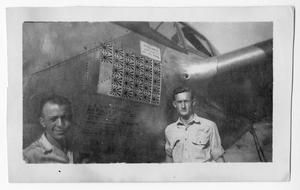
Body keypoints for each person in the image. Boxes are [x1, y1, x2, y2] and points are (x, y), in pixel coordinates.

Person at [165, 86, 225, 162]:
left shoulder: (209, 126)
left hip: (202, 173)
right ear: (174, 104)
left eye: (186, 101)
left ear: (193, 102)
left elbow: (218, 157)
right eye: (179, 102)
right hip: (180, 173)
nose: (183, 106)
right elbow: (169, 159)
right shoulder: (169, 130)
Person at [23, 95, 75, 163]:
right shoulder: (30, 155)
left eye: (65, 118)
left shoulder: (76, 149)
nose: (60, 124)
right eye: (53, 119)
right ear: (43, 122)